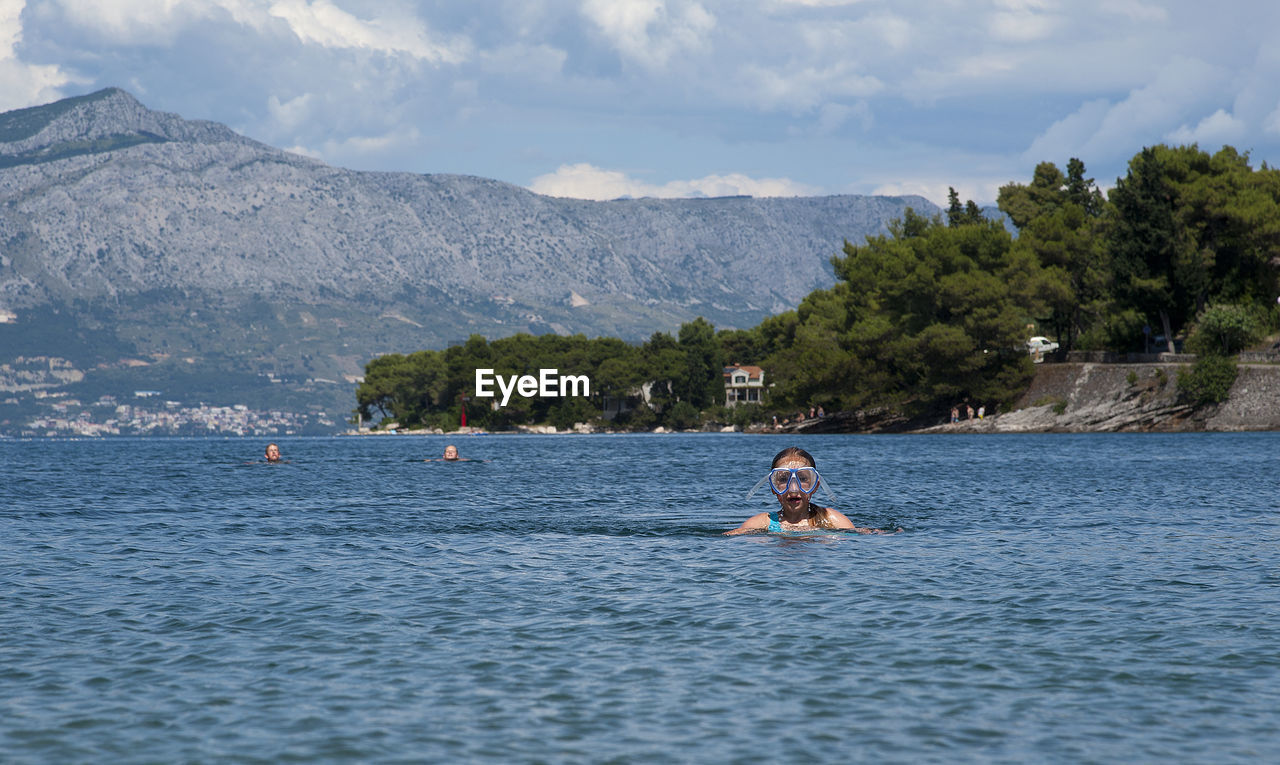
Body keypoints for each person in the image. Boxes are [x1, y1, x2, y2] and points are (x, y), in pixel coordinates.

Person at [726, 446, 893, 535]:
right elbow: (728, 539)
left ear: (816, 486)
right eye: (783, 480)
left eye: (803, 479)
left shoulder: (831, 520)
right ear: (773, 488)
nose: (794, 488)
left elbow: (859, 536)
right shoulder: (764, 523)